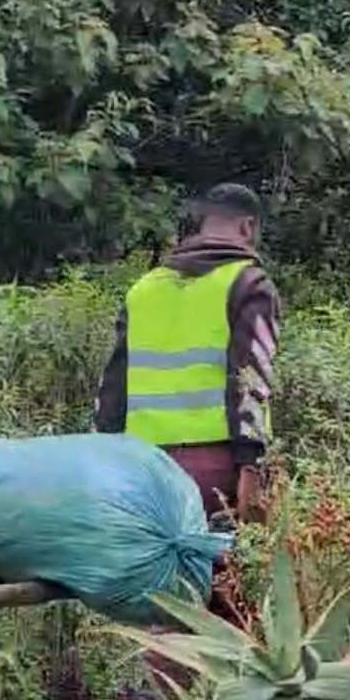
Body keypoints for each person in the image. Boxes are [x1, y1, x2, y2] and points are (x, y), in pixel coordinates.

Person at [95, 183, 281, 523]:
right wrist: (252, 468)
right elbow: (251, 379)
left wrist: (106, 465)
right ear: (247, 227)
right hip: (217, 469)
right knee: (226, 571)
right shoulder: (249, 284)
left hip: (142, 468)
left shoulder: (144, 289)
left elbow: (112, 387)